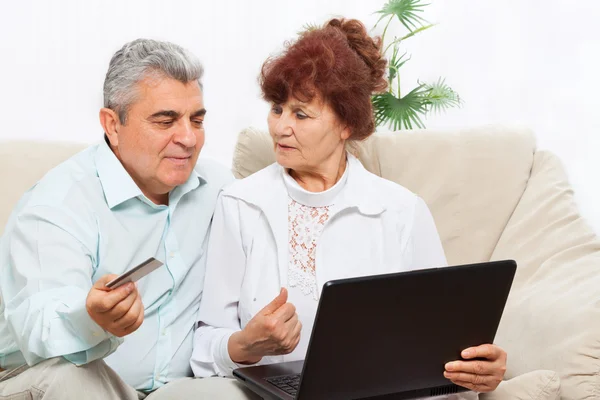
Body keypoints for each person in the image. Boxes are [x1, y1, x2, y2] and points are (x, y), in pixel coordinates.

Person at [191, 18, 507, 398]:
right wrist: (245, 345)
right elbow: (204, 346)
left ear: (346, 123)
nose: (280, 128)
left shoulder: (402, 212)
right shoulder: (240, 203)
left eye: (301, 114)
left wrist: (476, 369)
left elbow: (440, 344)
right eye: (277, 109)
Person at [0, 39, 256, 399]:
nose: (187, 138)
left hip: (172, 389)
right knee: (72, 380)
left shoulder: (220, 188)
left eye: (196, 120)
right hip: (53, 374)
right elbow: (37, 324)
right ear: (112, 125)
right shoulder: (57, 204)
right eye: (165, 120)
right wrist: (91, 317)